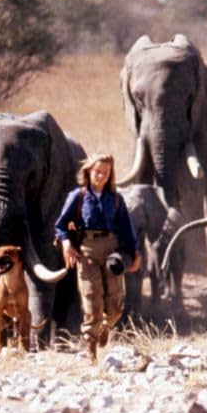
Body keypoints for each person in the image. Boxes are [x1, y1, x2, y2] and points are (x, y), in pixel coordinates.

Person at [55, 153, 140, 362]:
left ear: (110, 174)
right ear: (89, 171)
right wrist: (66, 243)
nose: (101, 176)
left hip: (113, 252)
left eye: (106, 172)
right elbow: (60, 225)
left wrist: (135, 254)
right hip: (88, 252)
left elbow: (127, 230)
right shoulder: (78, 196)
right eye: (97, 171)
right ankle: (91, 350)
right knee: (92, 302)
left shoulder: (117, 199)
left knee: (116, 306)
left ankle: (107, 326)